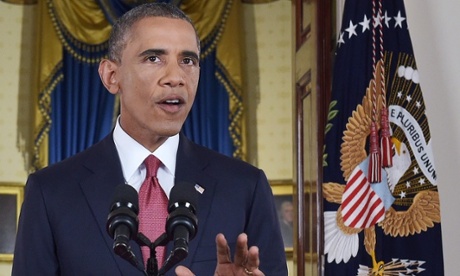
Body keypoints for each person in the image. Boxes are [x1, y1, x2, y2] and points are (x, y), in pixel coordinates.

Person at [12, 3, 287, 276]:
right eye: (154, 58)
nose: (176, 77)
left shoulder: (246, 188)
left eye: (187, 60)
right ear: (111, 76)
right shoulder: (50, 192)